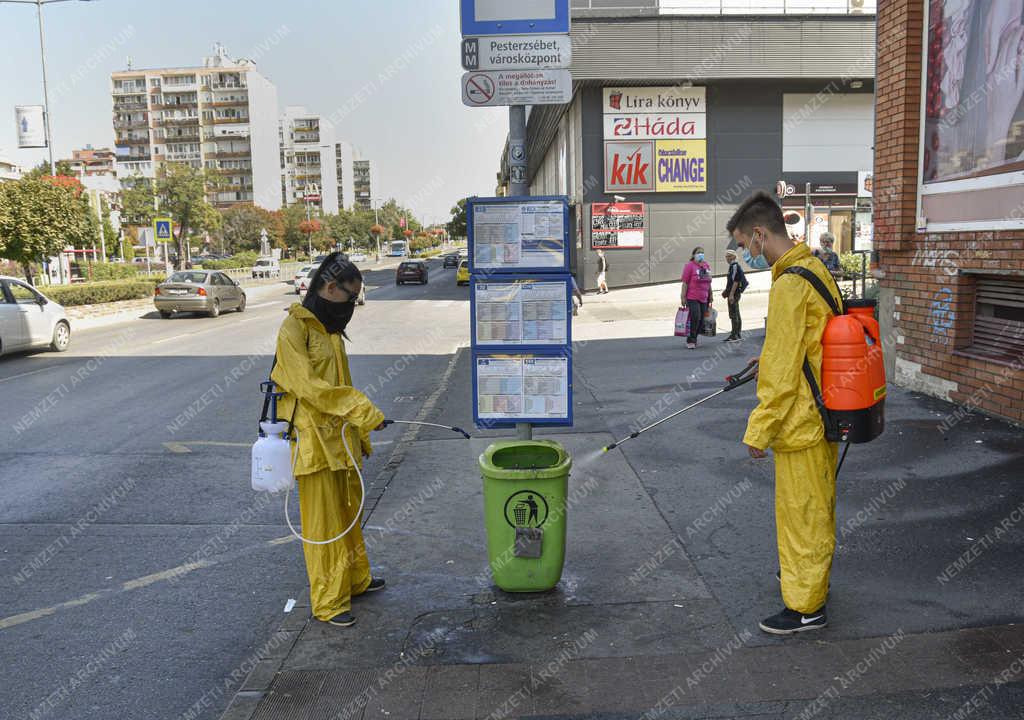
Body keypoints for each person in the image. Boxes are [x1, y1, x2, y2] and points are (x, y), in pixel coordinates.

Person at [726, 190, 843, 635]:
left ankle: (806, 607)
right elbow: (805, 344)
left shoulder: (790, 283)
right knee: (816, 507)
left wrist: (759, 430)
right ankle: (811, 582)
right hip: (823, 413)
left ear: (760, 234)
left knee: (801, 514)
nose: (744, 252)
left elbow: (780, 371)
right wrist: (770, 356)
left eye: (743, 242)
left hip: (801, 422)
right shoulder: (813, 268)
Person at [271, 252, 387, 628]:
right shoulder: (294, 330)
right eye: (349, 298)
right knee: (323, 527)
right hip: (312, 441)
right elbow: (309, 388)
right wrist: (360, 410)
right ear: (329, 287)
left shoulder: (331, 332)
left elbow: (342, 386)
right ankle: (329, 602)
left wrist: (360, 431)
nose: (351, 306)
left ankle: (355, 580)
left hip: (339, 439)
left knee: (348, 515)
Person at [679, 246, 713, 349]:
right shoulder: (690, 266)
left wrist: (711, 295)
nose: (701, 254)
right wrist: (683, 296)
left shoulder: (706, 266)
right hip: (692, 297)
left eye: (702, 252)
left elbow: (709, 282)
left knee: (702, 320)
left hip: (704, 297)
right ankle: (691, 340)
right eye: (698, 252)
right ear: (694, 255)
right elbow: (685, 282)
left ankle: (695, 338)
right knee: (695, 317)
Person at [721, 248, 748, 342]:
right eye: (726, 256)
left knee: (733, 313)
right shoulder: (733, 266)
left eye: (728, 256)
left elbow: (736, 281)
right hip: (733, 293)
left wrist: (731, 294)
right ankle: (737, 334)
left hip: (734, 294)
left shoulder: (734, 266)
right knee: (736, 312)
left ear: (733, 257)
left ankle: (734, 335)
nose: (727, 258)